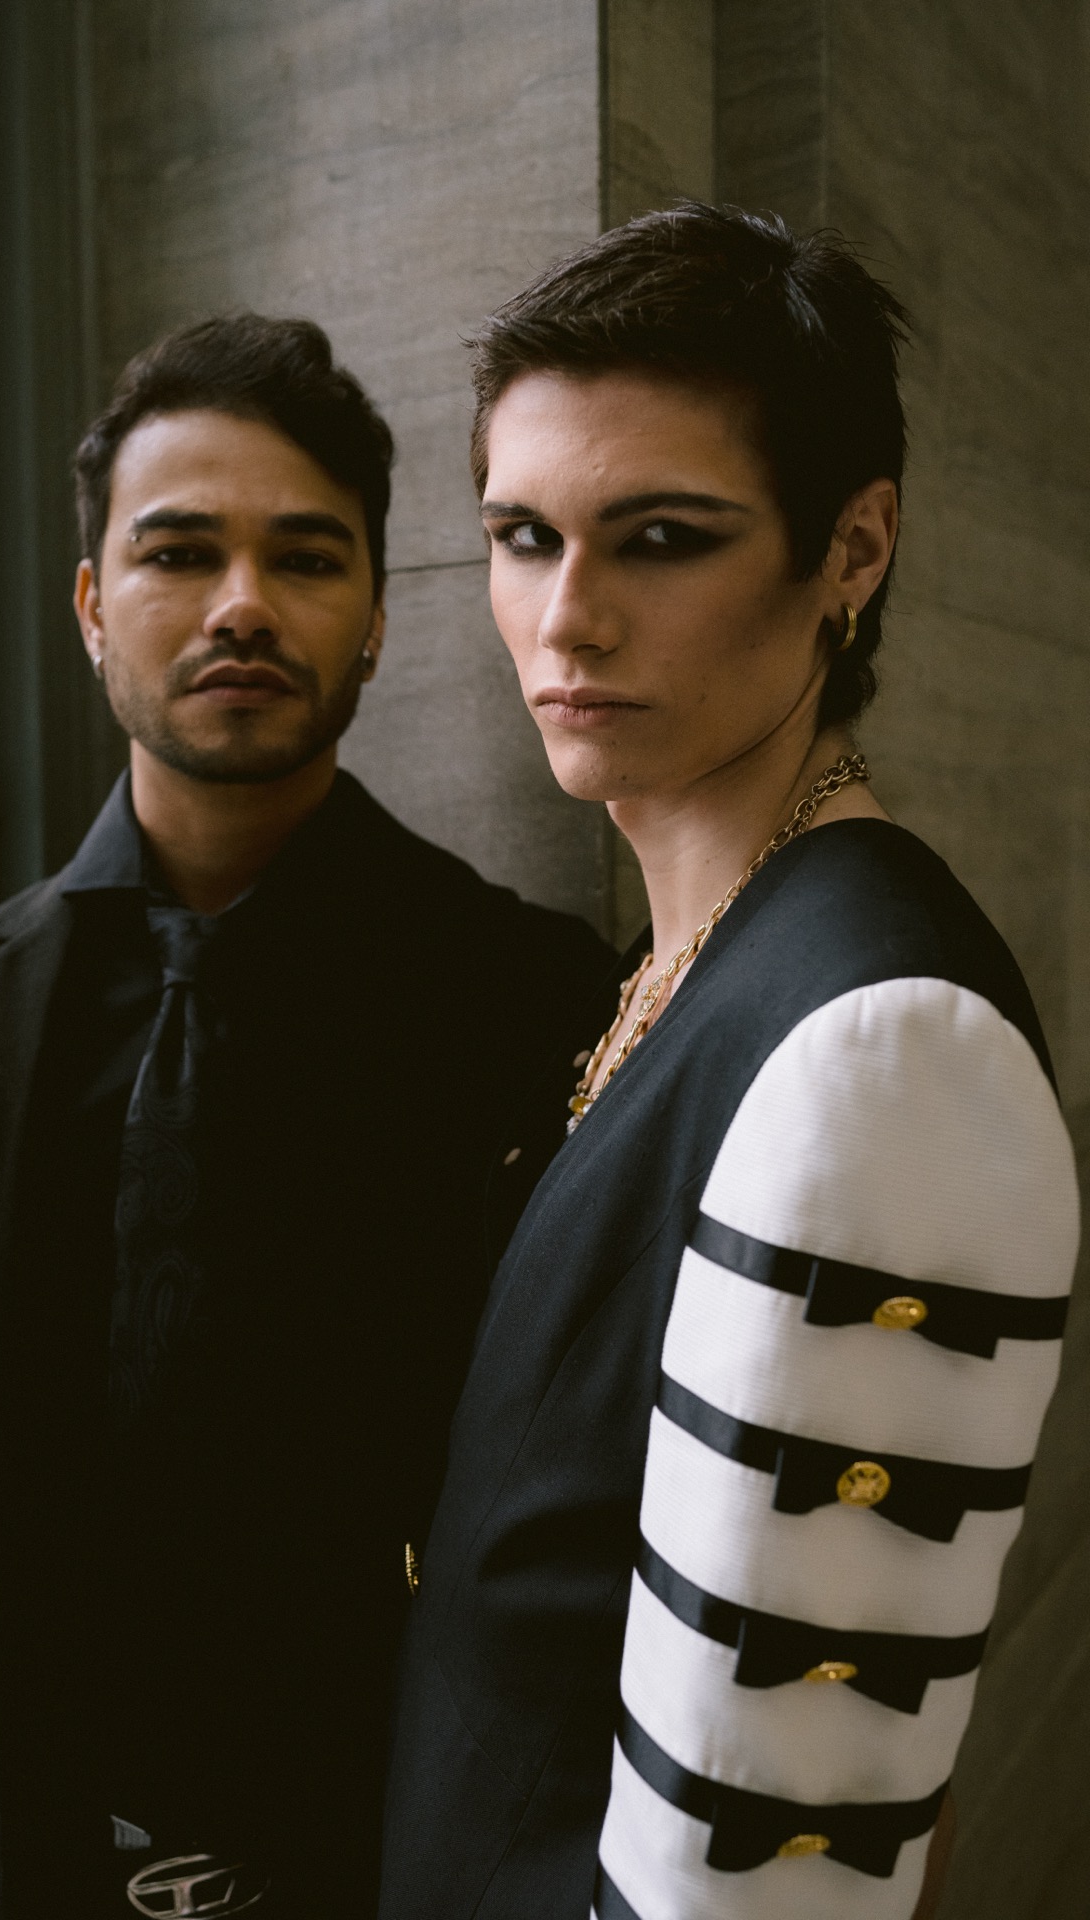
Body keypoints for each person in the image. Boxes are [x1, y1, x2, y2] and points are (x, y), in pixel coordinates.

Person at [0, 312, 614, 1918]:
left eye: (306, 559)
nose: (243, 604)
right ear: (95, 603)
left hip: (385, 1849)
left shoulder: (532, 1011)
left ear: (379, 616)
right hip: (2, 1846)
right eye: (180, 552)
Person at [379, 204, 1080, 1920]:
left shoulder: (883, 1043)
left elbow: (765, 1875)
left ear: (854, 548)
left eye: (662, 538)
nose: (568, 619)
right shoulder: (685, 963)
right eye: (523, 535)